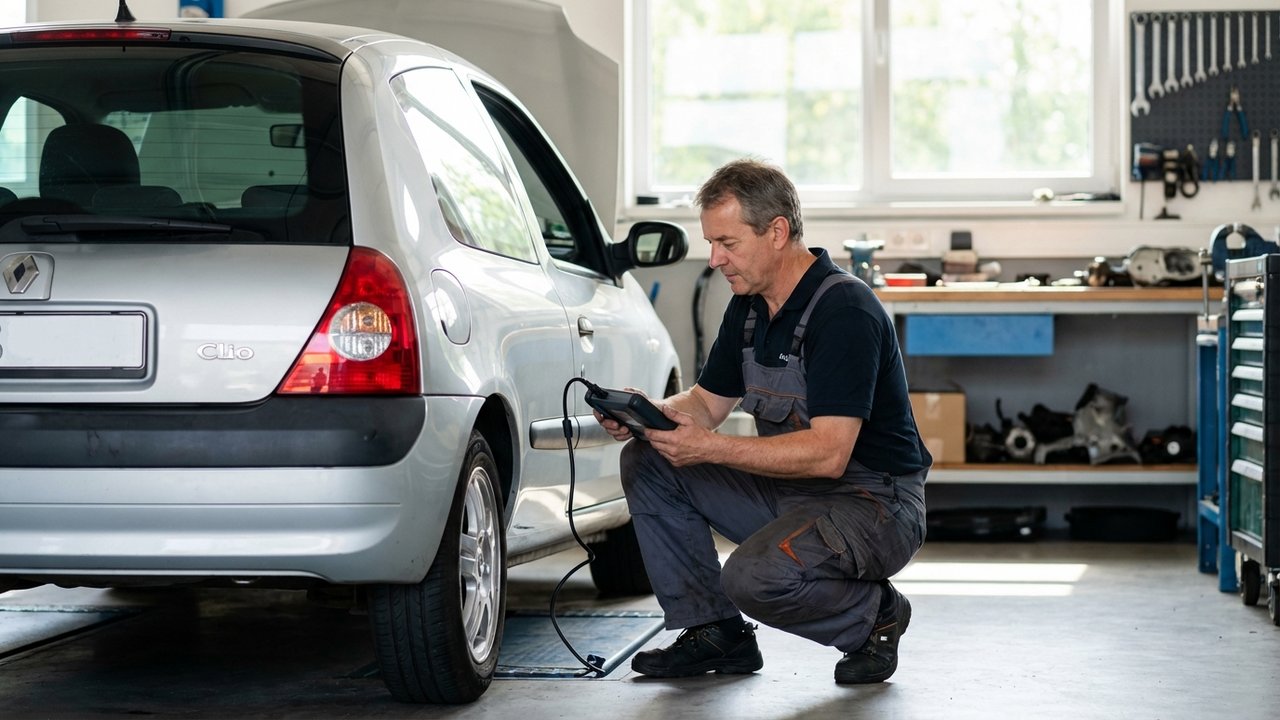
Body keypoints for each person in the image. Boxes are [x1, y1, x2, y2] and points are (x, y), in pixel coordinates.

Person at [595, 158, 929, 684]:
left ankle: (874, 617)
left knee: (751, 578)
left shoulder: (845, 311)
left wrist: (710, 448)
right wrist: (649, 415)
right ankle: (715, 633)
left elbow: (829, 453)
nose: (715, 259)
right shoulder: (750, 308)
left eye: (728, 242)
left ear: (777, 232)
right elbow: (706, 404)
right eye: (711, 243)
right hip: (793, 492)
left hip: (873, 505)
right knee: (648, 460)